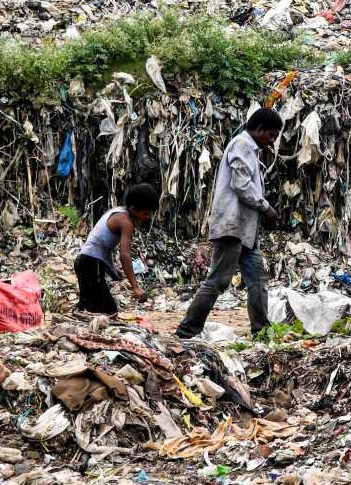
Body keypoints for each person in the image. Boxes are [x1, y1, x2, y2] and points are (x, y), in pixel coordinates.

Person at [176, 108, 282, 339]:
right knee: (218, 280)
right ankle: (187, 331)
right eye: (271, 136)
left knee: (257, 279)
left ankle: (262, 332)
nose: (271, 142)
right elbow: (241, 185)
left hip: (244, 230)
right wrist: (266, 208)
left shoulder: (250, 149)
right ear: (260, 129)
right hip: (232, 226)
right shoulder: (242, 145)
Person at [74, 184, 159, 315]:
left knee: (91, 309)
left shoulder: (117, 212)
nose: (148, 217)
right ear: (133, 209)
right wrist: (135, 287)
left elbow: (100, 247)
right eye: (146, 213)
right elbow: (124, 255)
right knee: (106, 311)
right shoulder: (126, 222)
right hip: (90, 264)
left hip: (86, 262)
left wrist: (113, 269)